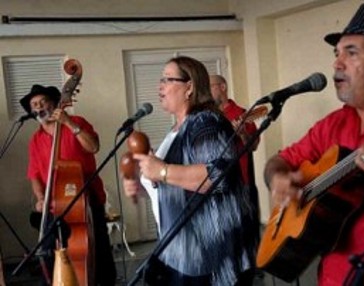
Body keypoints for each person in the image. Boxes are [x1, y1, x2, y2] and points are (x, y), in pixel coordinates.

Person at [263, 2, 364, 285]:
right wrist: (277, 178)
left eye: (351, 53)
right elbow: (280, 161)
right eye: (336, 53)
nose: (336, 63)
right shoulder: (334, 124)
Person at [122, 56, 258, 285]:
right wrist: (145, 185)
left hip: (210, 256)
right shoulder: (178, 129)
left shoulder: (205, 122)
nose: (160, 85)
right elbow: (178, 187)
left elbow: (217, 176)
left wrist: (163, 171)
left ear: (190, 87)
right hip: (182, 251)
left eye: (168, 79)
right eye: (161, 79)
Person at [20, 84, 116, 285]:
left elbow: (94, 147)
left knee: (99, 253)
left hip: (86, 200)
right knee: (54, 254)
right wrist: (40, 199)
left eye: (42, 102)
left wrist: (69, 123)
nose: (38, 107)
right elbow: (34, 175)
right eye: (34, 105)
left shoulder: (77, 122)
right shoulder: (35, 140)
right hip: (55, 204)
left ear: (54, 103)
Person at [209, 74, 261, 243]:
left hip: (241, 181)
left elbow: (253, 145)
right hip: (214, 181)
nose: (207, 91)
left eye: (210, 86)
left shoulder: (242, 114)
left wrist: (243, 134)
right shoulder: (208, 116)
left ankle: (251, 267)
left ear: (222, 87)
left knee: (246, 230)